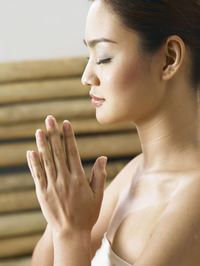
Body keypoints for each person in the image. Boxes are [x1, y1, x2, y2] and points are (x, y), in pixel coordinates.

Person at [26, 0, 200, 265]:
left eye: (103, 57)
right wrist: (62, 218)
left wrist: (71, 234)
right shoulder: (136, 171)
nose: (87, 77)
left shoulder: (193, 199)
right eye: (89, 57)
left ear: (169, 58)